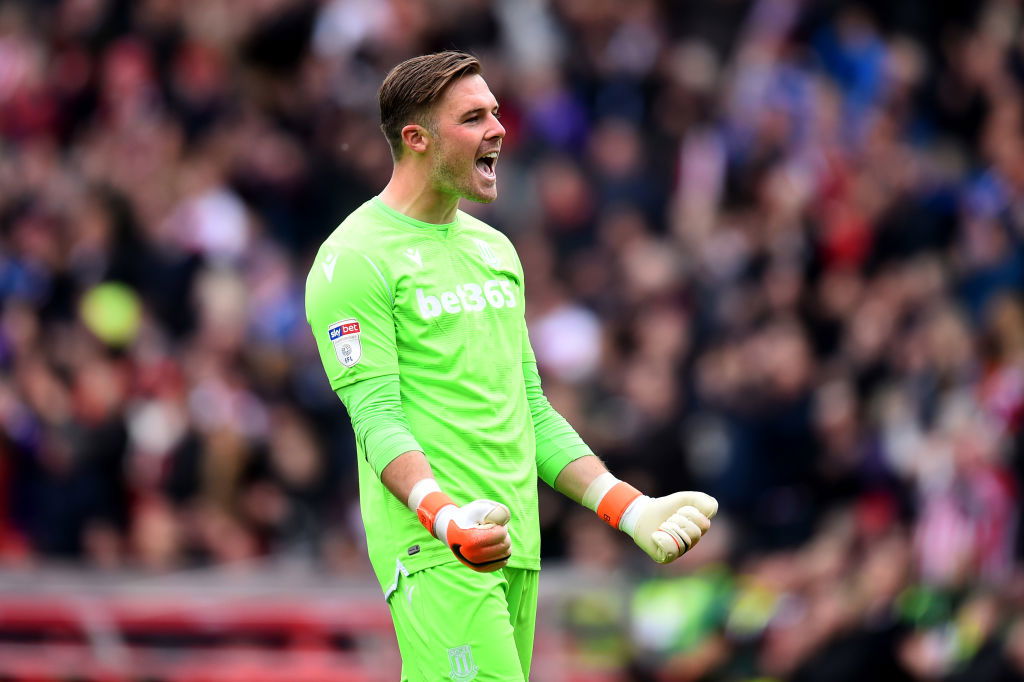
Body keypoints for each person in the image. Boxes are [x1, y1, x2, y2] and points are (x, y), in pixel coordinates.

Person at [305, 51, 718, 682]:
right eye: (474, 118)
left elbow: (531, 412)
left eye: (496, 112)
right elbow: (376, 419)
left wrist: (628, 509)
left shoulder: (495, 249)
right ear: (417, 138)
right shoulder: (354, 260)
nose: (499, 129)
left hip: (515, 543)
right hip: (437, 548)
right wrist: (445, 517)